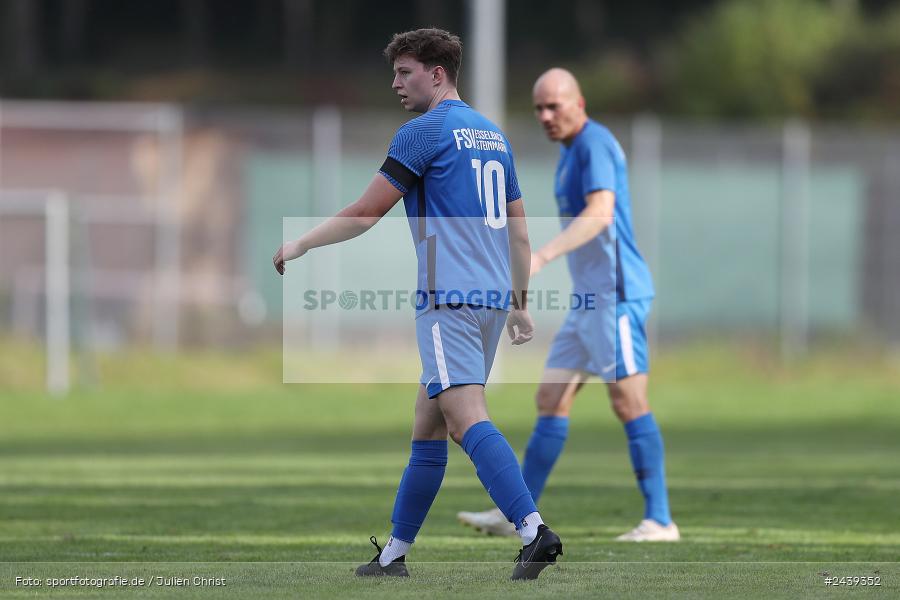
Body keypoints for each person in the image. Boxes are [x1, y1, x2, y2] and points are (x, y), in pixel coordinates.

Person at [274, 29, 563, 579]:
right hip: (488, 301)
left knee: (464, 417)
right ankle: (394, 556)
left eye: (405, 72)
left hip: (446, 299)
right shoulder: (494, 137)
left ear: (437, 74)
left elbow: (365, 212)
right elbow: (520, 234)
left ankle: (533, 530)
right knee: (428, 424)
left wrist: (302, 242)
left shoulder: (423, 132)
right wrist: (520, 304)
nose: (395, 83)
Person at [457, 68, 679, 542]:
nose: (545, 115)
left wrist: (543, 255)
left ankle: (660, 520)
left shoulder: (594, 143)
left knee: (628, 400)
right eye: (538, 107)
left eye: (554, 105)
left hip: (615, 297)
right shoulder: (570, 153)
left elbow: (601, 213)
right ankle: (515, 514)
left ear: (580, 103)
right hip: (588, 301)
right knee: (550, 399)